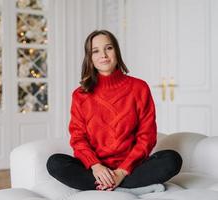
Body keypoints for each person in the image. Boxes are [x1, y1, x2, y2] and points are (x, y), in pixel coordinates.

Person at [46, 30, 182, 194]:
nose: (103, 54)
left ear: (116, 51)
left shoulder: (139, 88)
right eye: (95, 51)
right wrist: (96, 166)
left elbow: (147, 136)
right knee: (54, 163)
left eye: (108, 48)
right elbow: (78, 137)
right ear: (89, 58)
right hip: (96, 170)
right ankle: (128, 188)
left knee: (172, 159)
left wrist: (122, 171)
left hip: (131, 167)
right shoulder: (80, 95)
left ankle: (112, 185)